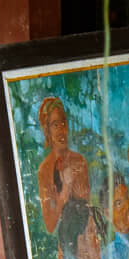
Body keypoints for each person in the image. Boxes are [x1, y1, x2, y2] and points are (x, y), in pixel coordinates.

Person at [37, 96, 90, 238]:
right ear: (47, 130)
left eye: (63, 122)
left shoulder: (79, 161)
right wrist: (63, 197)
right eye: (55, 125)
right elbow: (49, 225)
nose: (61, 130)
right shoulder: (44, 170)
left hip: (86, 239)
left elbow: (86, 208)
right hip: (67, 245)